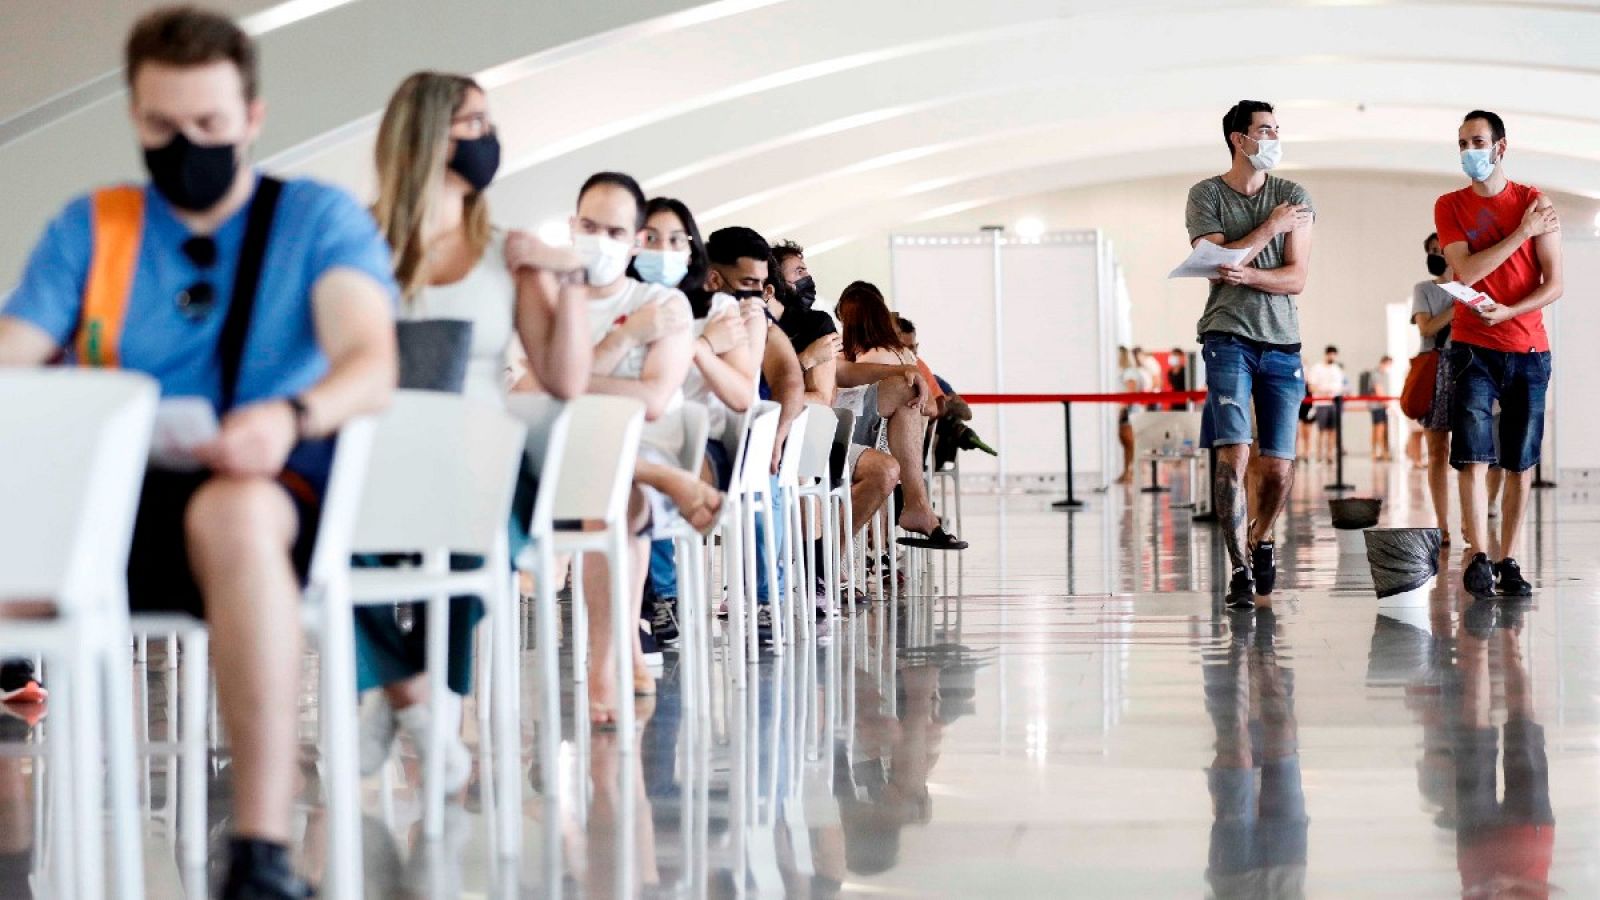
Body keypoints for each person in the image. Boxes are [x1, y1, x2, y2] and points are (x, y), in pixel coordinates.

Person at [0, 8, 399, 896]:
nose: (187, 145)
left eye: (210, 126)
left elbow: (369, 359)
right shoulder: (93, 229)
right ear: (135, 117)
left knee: (237, 507)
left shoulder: (314, 222)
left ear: (252, 117)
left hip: (265, 487)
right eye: (162, 127)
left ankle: (258, 849)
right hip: (111, 509)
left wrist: (293, 415)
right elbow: (13, 353)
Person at [355, 71, 592, 788]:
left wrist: (569, 278)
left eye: (488, 123)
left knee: (466, 520)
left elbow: (565, 378)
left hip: (476, 459)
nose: (488, 139)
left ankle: (411, 695)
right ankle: (409, 691)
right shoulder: (358, 242)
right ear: (426, 134)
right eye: (472, 123)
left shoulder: (505, 252)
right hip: (378, 452)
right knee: (315, 531)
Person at [560, 171, 723, 722]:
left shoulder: (664, 305)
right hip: (564, 447)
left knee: (614, 496)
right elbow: (527, 390)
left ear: (631, 238)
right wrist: (625, 338)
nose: (599, 240)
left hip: (640, 443)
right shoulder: (553, 294)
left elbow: (653, 398)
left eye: (614, 230)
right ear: (571, 227)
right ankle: (621, 648)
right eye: (588, 227)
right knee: (607, 486)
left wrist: (572, 376)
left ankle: (608, 656)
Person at [1186, 99, 1316, 608]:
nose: (1274, 138)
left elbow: (1296, 278)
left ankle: (1261, 540)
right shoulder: (1206, 194)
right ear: (1239, 139)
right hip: (1227, 338)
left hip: (1283, 344)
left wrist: (1251, 273)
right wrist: (1269, 230)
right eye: (1265, 130)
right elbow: (1216, 262)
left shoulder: (1295, 196)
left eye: (1277, 129)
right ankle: (1239, 568)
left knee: (1279, 467)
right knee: (1233, 456)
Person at [1434, 110, 1562, 597]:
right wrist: (1521, 234)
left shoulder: (1535, 201)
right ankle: (1479, 555)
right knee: (1471, 455)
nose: (1470, 151)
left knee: (1520, 461)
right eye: (1463, 143)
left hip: (1528, 348)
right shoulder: (1450, 205)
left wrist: (1510, 311)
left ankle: (1509, 558)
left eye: (1478, 142)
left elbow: (1555, 284)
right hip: (1472, 346)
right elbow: (1466, 272)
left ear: (1500, 148)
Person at [632, 200, 761, 647]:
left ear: (691, 250)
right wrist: (701, 344)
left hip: (698, 442)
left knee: (656, 474)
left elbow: (742, 396)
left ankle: (662, 597)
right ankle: (634, 610)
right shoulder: (624, 304)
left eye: (675, 240)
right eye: (650, 238)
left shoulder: (719, 307)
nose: (662, 250)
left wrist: (699, 349)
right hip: (630, 435)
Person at [834, 282, 967, 551]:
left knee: (905, 398)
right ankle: (916, 506)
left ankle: (912, 511)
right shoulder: (906, 357)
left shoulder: (859, 356)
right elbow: (932, 408)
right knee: (906, 396)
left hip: (865, 439)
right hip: (893, 449)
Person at [1306, 345, 1345, 465]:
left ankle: (1330, 455)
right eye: (1331, 354)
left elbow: (1340, 387)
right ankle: (1319, 454)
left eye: (1334, 355)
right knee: (1321, 430)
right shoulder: (1317, 368)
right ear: (1326, 354)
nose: (1332, 357)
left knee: (1332, 431)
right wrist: (1323, 391)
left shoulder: (1337, 369)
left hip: (1333, 403)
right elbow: (1311, 386)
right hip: (1321, 403)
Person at [1115, 346, 1141, 485]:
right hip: (1126, 410)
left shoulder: (1129, 372)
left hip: (1129, 411)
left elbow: (1130, 391)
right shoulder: (1124, 372)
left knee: (1130, 442)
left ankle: (1131, 471)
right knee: (1125, 443)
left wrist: (1122, 409)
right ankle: (1126, 471)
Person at [1370, 356, 1394, 461]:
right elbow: (1378, 390)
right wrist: (1387, 403)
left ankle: (1378, 452)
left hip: (1380, 405)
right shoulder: (1376, 374)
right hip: (1377, 405)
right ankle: (1380, 452)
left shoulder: (1383, 375)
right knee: (1379, 429)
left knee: (1378, 429)